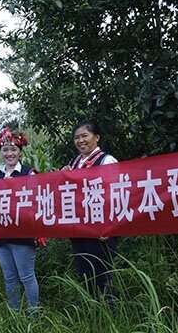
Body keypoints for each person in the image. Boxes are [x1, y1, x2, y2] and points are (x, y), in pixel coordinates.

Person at [62, 120, 118, 299]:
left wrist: (110, 227)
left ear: (97, 137)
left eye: (84, 136)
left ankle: (110, 315)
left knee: (102, 274)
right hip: (79, 227)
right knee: (84, 273)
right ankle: (92, 314)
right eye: (77, 137)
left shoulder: (107, 161)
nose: (80, 141)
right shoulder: (75, 162)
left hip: (101, 228)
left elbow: (116, 195)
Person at [0, 127, 40, 311]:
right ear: (0, 153)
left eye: (13, 150)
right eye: (5, 150)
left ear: (20, 152)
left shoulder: (29, 173)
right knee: (9, 277)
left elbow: (36, 201)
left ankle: (33, 315)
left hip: (22, 233)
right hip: (1, 233)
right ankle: (14, 312)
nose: (9, 153)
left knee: (26, 276)